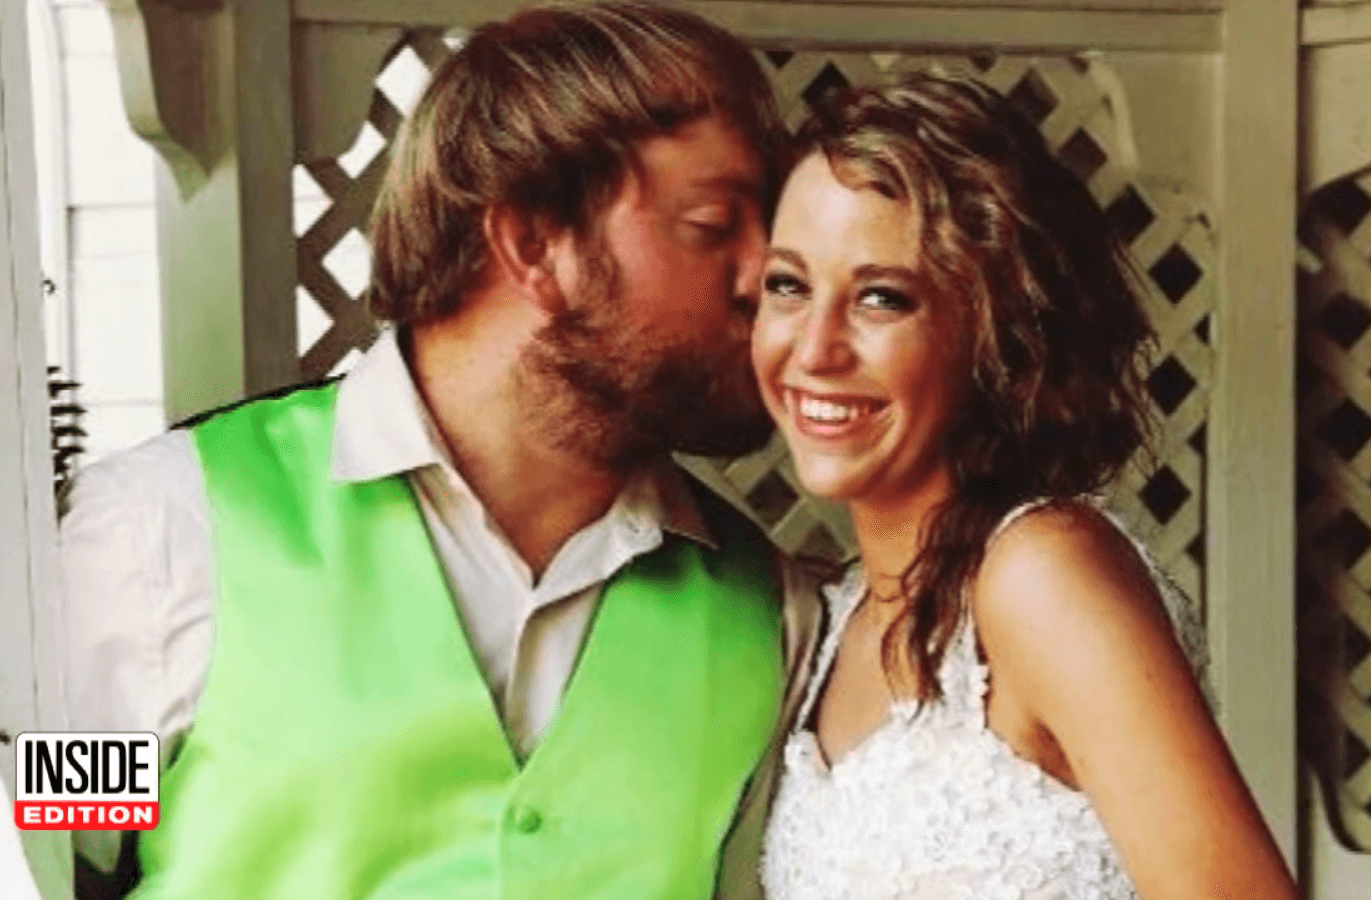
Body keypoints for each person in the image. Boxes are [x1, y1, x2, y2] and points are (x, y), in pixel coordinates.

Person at [58, 4, 821, 898]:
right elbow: (36, 865)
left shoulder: (769, 615)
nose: (767, 275)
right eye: (713, 224)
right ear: (534, 243)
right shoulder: (157, 537)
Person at [752, 75, 1299, 899]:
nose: (813, 348)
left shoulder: (1043, 573)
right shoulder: (838, 616)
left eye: (882, 299)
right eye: (788, 285)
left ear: (998, 334)